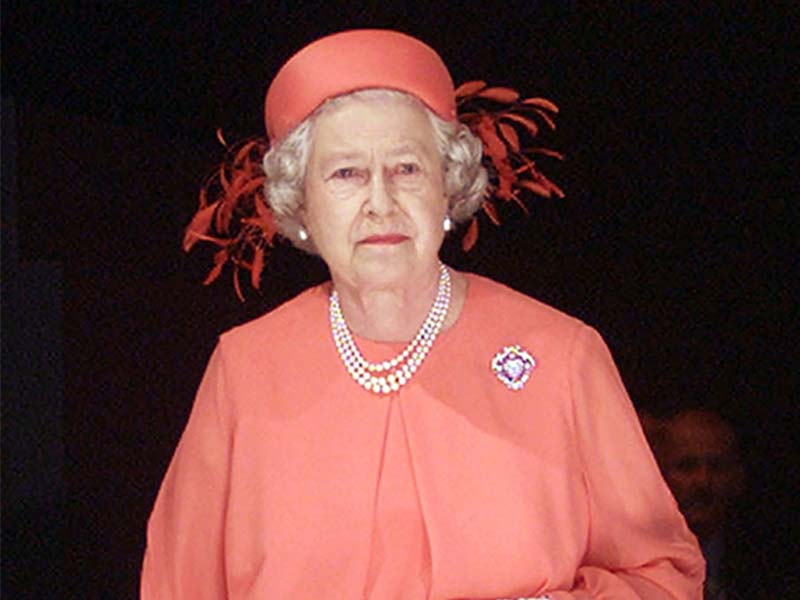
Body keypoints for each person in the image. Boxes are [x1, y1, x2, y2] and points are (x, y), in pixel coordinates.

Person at [141, 29, 704, 599]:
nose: (380, 201)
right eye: (346, 174)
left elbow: (664, 577)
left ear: (448, 189)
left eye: (407, 169)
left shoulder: (562, 355)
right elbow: (176, 586)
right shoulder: (245, 368)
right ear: (301, 204)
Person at [659, 409, 748, 600]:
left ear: (737, 478)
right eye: (687, 467)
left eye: (717, 466)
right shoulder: (637, 566)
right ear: (660, 477)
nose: (702, 482)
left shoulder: (772, 565)